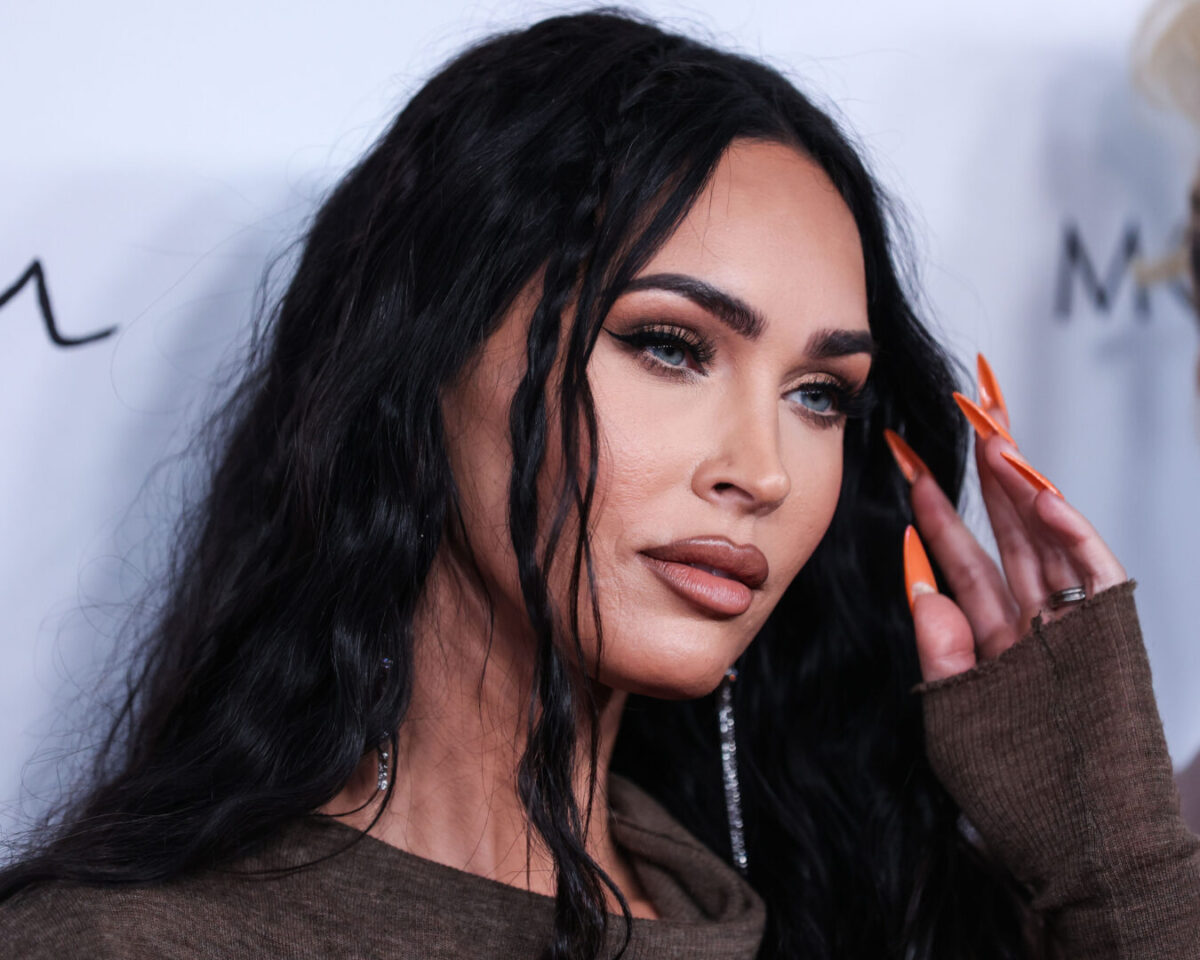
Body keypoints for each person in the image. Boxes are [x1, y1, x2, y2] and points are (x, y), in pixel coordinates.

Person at [1, 9, 1197, 959]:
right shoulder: (124, 945)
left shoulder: (852, 914)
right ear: (425, 357)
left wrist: (1110, 858)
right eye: (669, 346)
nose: (762, 472)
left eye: (819, 395)